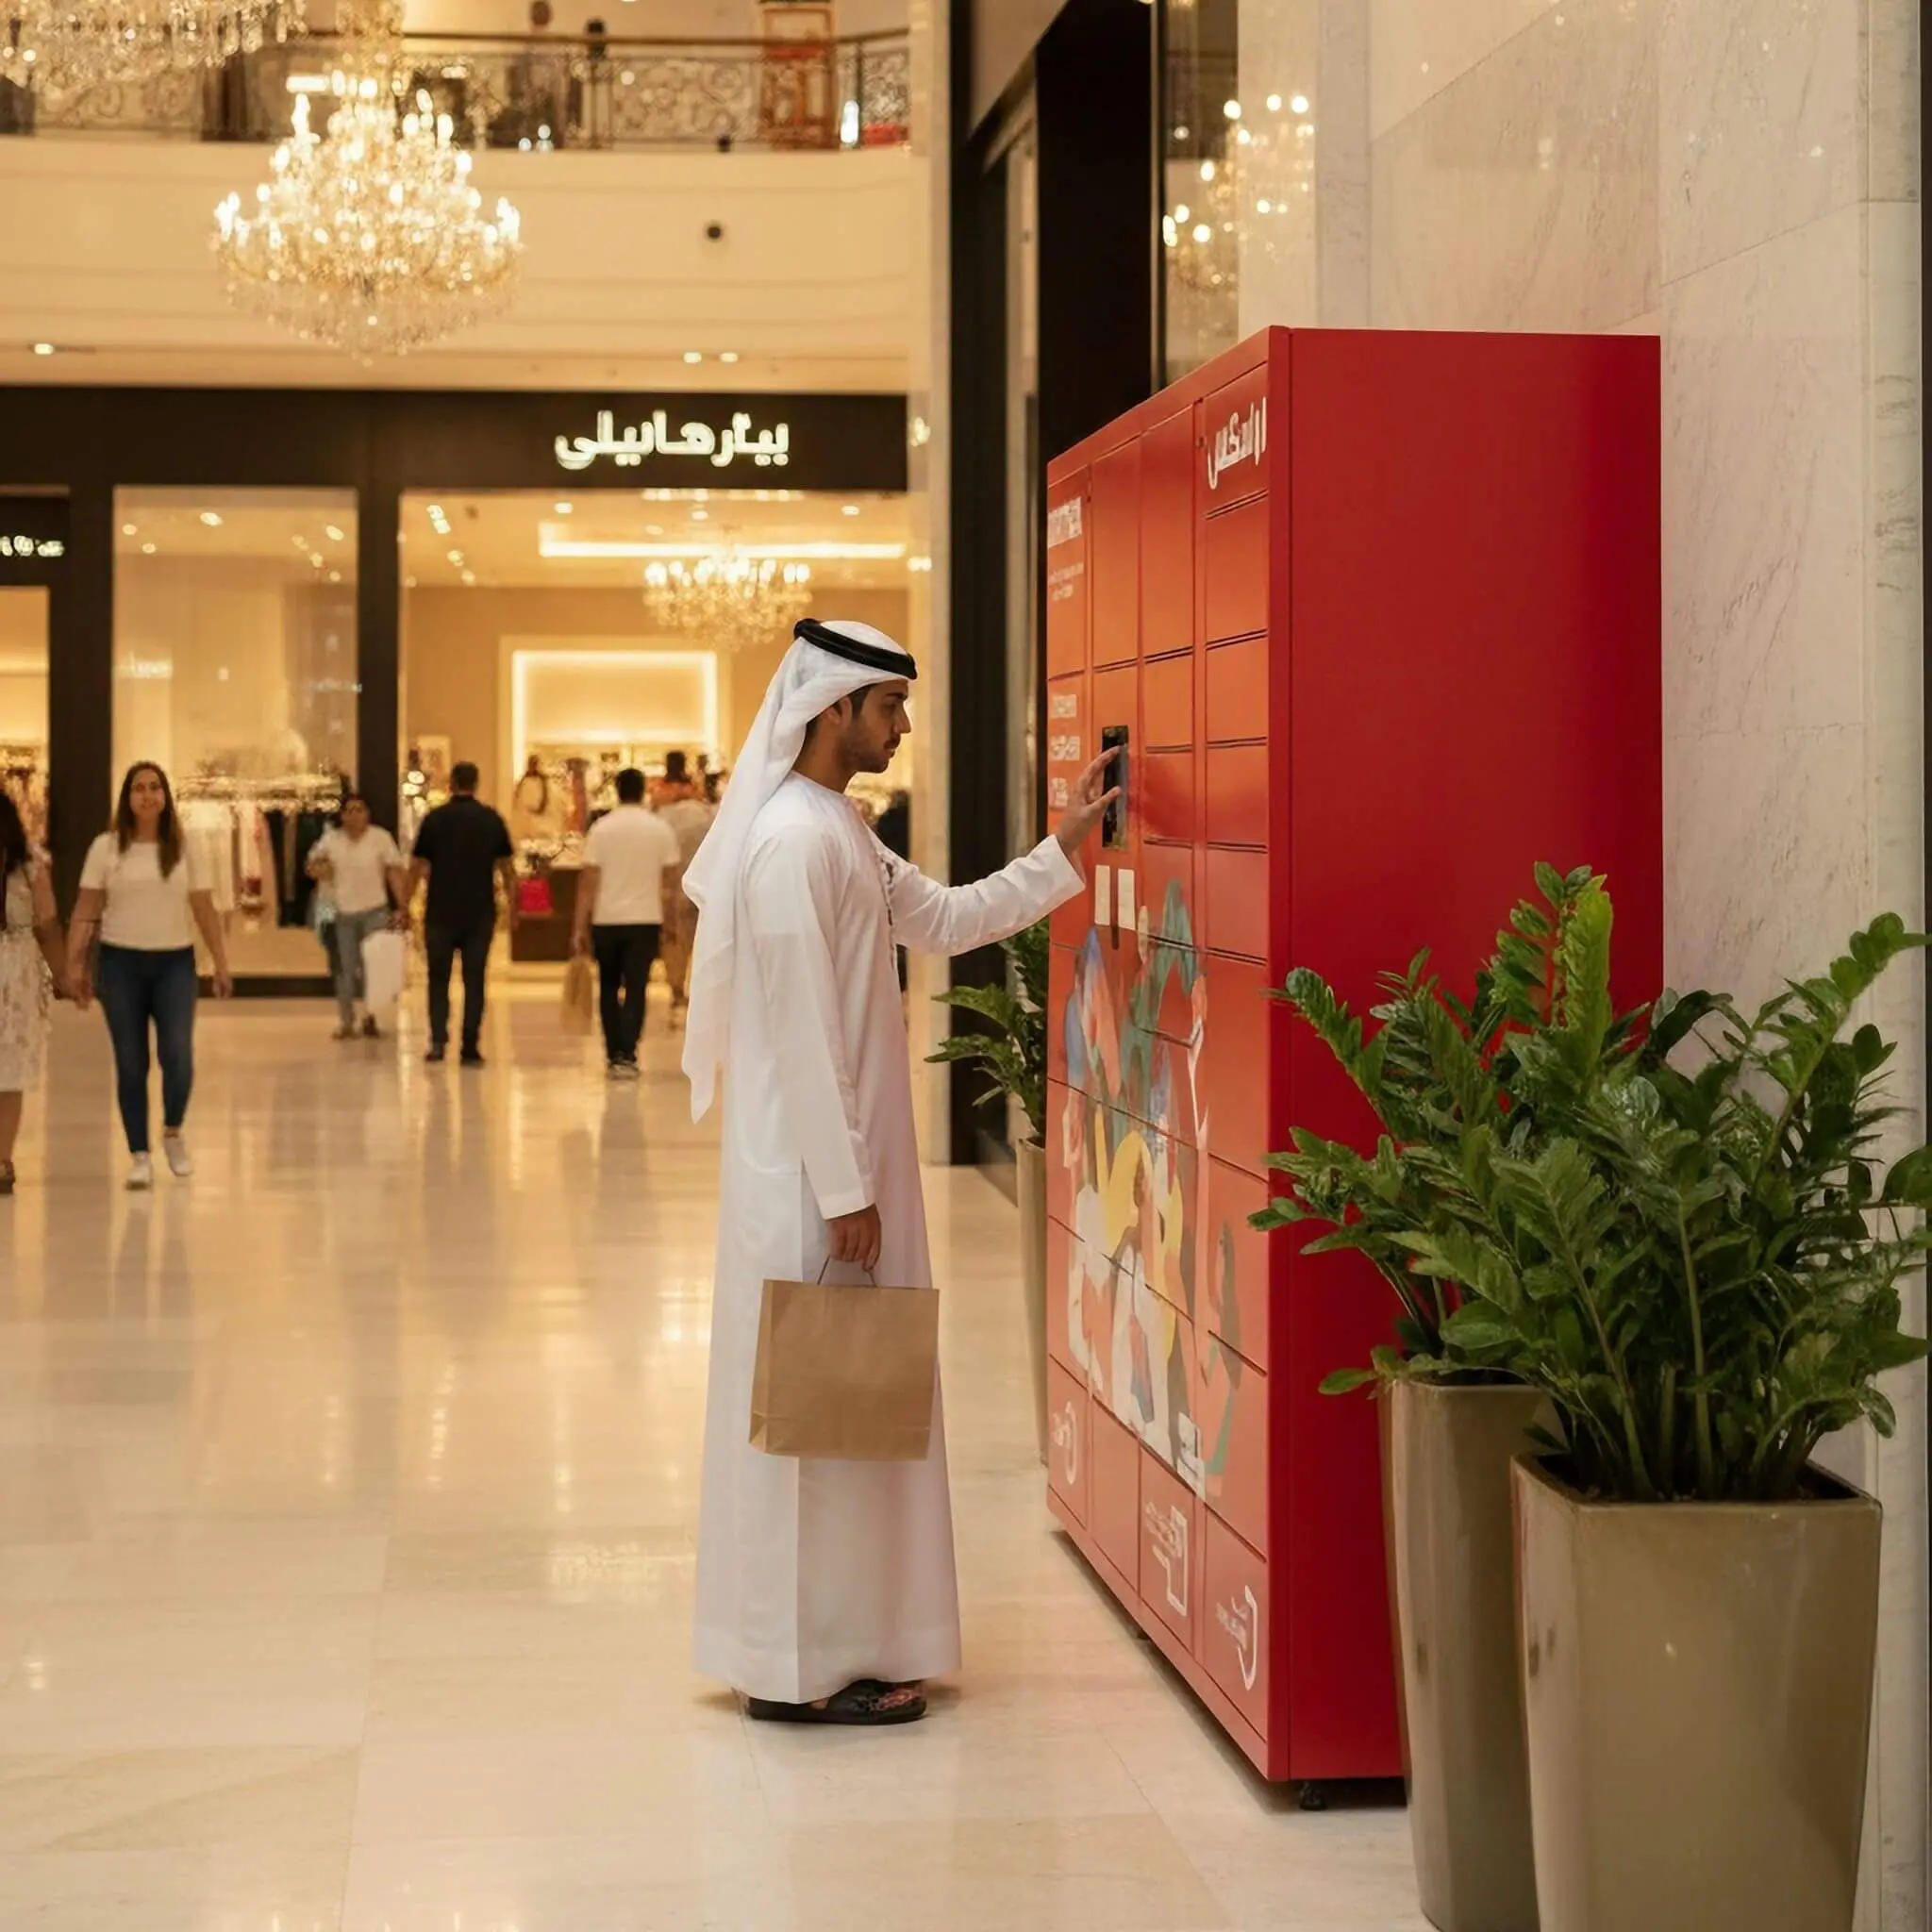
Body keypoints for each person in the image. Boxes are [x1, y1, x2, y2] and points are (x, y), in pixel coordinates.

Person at [685, 617, 1118, 1725]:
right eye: (888, 709)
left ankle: (851, 1643)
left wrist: (1065, 848)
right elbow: (795, 1033)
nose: (903, 726)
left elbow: (945, 918)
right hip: (809, 1187)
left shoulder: (841, 827)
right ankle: (792, 1668)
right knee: (808, 1428)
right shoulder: (789, 841)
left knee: (853, 1418)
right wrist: (842, 1191)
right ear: (833, 708)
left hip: (850, 1174)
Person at [68, 762, 234, 1191]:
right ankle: (139, 1153)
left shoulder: (184, 848)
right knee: (131, 1061)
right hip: (120, 965)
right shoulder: (105, 849)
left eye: (155, 787)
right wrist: (75, 966)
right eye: (139, 788)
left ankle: (173, 1130)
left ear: (165, 797)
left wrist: (220, 962)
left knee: (177, 1053)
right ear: (127, 798)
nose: (147, 795)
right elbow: (86, 912)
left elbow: (203, 909)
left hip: (174, 964)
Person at [572, 767, 681, 1078]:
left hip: (607, 920)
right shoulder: (659, 829)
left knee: (607, 986)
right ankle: (628, 1054)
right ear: (643, 791)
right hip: (645, 920)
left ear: (617, 791)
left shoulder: (601, 829)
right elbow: (671, 883)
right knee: (636, 987)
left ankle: (612, 1051)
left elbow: (588, 882)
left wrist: (579, 927)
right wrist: (671, 923)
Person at [409, 761, 515, 1067]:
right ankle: (470, 1045)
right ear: (476, 782)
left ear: (452, 783)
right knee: (475, 978)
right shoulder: (491, 820)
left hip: (440, 910)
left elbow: (417, 867)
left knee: (438, 977)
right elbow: (507, 870)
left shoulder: (435, 819)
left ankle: (438, 1042)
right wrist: (514, 906)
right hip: (479, 911)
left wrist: (404, 904)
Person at [0, 791, 64, 1197]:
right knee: (9, 1072)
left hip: (15, 973)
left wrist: (63, 974)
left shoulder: (31, 865)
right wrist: (64, 975)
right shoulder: (32, 865)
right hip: (15, 972)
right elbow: (47, 923)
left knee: (9, 1070)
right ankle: (2, 1160)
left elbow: (46, 923)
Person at [307, 792, 409, 1041]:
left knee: (373, 969)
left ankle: (370, 1017)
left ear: (367, 814)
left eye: (359, 810)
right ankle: (346, 1021)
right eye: (349, 811)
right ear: (341, 816)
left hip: (375, 911)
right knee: (345, 968)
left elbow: (393, 872)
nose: (354, 815)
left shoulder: (380, 838)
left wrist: (403, 906)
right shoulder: (331, 840)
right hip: (344, 913)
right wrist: (320, 869)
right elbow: (312, 866)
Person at [656, 782, 716, 1024]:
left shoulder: (663, 817)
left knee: (675, 939)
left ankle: (677, 987)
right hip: (704, 883)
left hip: (674, 884)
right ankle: (698, 987)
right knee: (701, 939)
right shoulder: (708, 815)